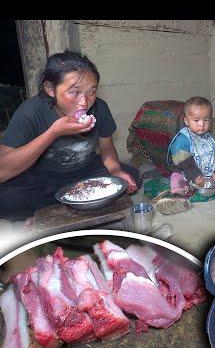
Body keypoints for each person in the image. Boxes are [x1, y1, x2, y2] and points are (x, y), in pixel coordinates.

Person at [0, 50, 140, 221]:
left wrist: (116, 170)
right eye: (74, 92)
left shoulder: (100, 108)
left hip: (86, 173)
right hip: (43, 178)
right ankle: (79, 207)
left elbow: (106, 147)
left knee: (131, 176)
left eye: (92, 92)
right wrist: (52, 133)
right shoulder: (31, 111)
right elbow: (3, 171)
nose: (85, 102)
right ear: (50, 89)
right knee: (6, 199)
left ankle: (57, 210)